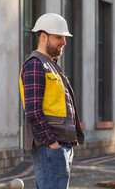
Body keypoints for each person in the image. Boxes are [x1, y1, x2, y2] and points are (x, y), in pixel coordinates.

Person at [19, 13, 84, 189]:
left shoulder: (51, 65)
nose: (64, 42)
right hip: (50, 148)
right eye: (59, 37)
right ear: (43, 37)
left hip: (59, 147)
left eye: (64, 37)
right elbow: (33, 111)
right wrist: (52, 144)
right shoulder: (35, 65)